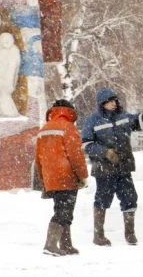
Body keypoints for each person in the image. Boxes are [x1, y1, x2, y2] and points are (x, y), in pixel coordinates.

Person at [81, 88, 143, 246]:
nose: (114, 103)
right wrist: (105, 152)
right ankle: (98, 235)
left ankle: (130, 234)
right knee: (102, 199)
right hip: (103, 168)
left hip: (123, 166)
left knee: (130, 198)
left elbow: (141, 121)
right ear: (102, 104)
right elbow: (86, 145)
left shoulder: (123, 117)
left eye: (115, 100)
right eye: (109, 101)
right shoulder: (92, 121)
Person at [35, 99, 89, 256]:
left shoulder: (44, 129)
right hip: (66, 176)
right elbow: (76, 155)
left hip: (51, 177)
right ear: (70, 111)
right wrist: (83, 176)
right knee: (64, 212)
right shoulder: (68, 128)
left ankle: (66, 245)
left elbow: (38, 159)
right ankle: (50, 245)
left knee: (62, 209)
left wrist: (43, 181)